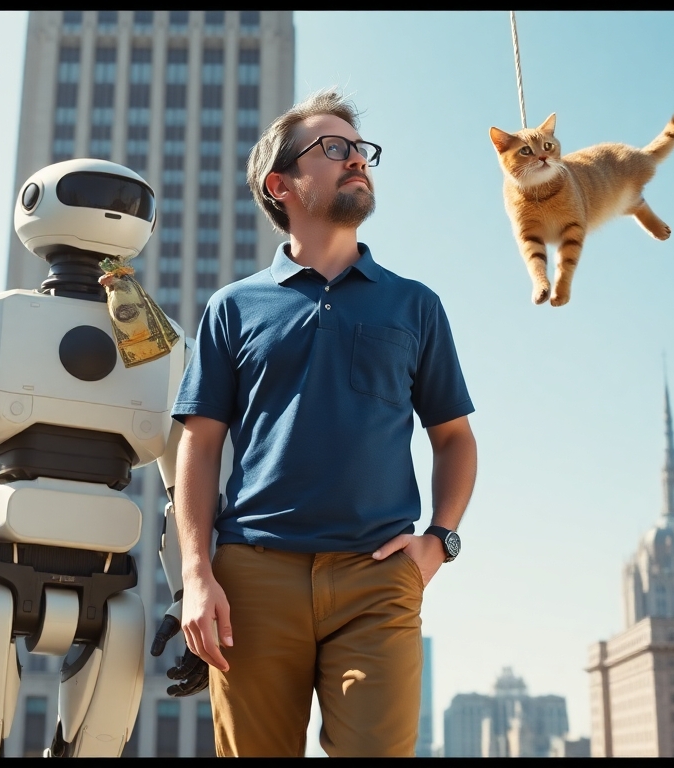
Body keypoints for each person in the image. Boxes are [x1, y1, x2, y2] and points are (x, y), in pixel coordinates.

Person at [169, 90, 478, 757]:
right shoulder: (232, 308)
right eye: (334, 149)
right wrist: (197, 574)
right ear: (279, 185)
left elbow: (454, 438)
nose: (356, 160)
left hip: (378, 578)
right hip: (253, 579)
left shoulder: (416, 305)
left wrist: (440, 541)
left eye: (361, 150)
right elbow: (199, 444)